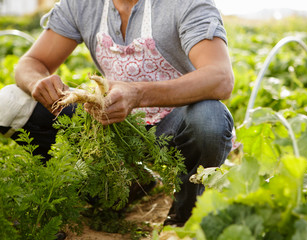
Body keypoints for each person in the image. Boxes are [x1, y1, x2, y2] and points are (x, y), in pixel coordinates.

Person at [1, 0, 235, 227]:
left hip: (176, 121)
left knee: (210, 120)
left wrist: (137, 95)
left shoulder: (185, 3)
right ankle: (120, 187)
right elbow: (32, 62)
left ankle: (185, 217)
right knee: (9, 102)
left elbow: (220, 77)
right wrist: (37, 83)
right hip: (109, 122)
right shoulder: (81, 4)